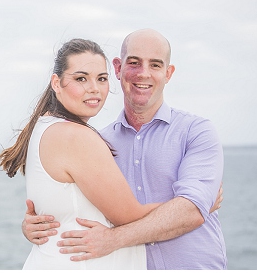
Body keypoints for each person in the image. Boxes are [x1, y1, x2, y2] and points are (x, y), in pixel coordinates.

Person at [21, 29, 228, 269]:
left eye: (156, 65)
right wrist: (37, 223)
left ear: (168, 73)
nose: (144, 73)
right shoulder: (98, 141)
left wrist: (193, 208)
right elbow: (68, 199)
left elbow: (191, 212)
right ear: (118, 69)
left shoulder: (197, 131)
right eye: (134, 63)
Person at [0, 38, 158, 269]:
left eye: (101, 79)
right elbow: (131, 217)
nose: (94, 88)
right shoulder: (74, 136)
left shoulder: (46, 127)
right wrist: (194, 204)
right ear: (57, 82)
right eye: (81, 78)